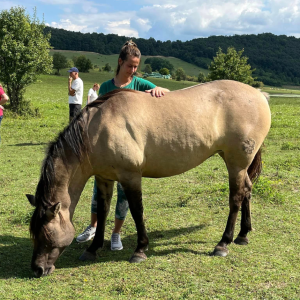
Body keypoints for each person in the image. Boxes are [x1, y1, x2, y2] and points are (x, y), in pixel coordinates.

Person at [76, 40, 170, 249]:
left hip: (129, 150)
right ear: (120, 62)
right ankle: (93, 227)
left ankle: (116, 233)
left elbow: (161, 92)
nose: (133, 70)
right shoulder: (108, 87)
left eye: (136, 66)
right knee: (98, 193)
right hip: (107, 151)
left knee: (124, 195)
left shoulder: (140, 84)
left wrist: (157, 90)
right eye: (130, 66)